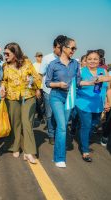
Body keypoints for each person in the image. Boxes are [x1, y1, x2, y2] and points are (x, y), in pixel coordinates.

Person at [45, 36, 85, 168]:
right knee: (62, 126)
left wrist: (93, 81)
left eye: (75, 48)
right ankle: (59, 158)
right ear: (64, 48)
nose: (74, 50)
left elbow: (79, 82)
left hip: (70, 98)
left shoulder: (75, 64)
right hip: (56, 97)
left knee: (61, 127)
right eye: (72, 48)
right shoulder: (53, 64)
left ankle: (58, 152)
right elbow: (47, 83)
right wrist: (58, 84)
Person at [0, 43, 42, 164]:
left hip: (28, 96)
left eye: (7, 53)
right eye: (4, 54)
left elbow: (37, 78)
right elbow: (4, 80)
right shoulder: (5, 66)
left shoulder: (27, 63)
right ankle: (15, 147)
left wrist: (33, 82)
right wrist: (2, 87)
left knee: (27, 123)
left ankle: (29, 152)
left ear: (15, 53)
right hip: (12, 97)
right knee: (15, 123)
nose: (5, 56)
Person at [76, 50, 110, 162]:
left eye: (95, 59)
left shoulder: (103, 71)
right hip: (83, 103)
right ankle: (85, 150)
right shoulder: (81, 71)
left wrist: (108, 101)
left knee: (94, 125)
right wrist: (89, 82)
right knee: (86, 125)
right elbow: (76, 83)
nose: (92, 61)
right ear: (86, 60)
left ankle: (83, 137)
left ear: (99, 60)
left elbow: (107, 88)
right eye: (89, 59)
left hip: (98, 105)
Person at [39, 35, 68, 145]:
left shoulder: (68, 59)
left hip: (64, 92)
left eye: (63, 48)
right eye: (59, 48)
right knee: (50, 114)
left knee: (61, 115)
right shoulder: (47, 59)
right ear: (54, 47)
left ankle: (59, 133)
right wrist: (39, 89)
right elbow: (41, 74)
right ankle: (51, 134)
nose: (62, 50)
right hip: (49, 92)